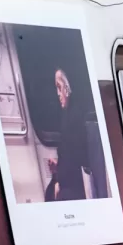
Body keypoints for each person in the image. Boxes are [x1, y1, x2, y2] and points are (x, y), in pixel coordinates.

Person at [48, 69, 93, 202]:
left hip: (76, 188)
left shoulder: (76, 119)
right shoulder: (68, 117)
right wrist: (58, 169)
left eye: (59, 87)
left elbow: (76, 162)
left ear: (68, 87)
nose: (58, 94)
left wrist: (58, 181)